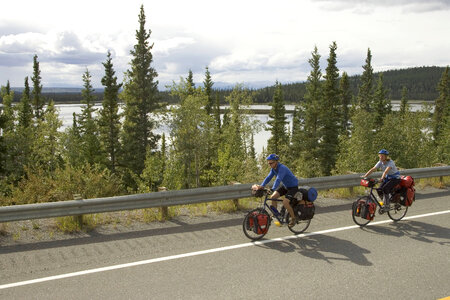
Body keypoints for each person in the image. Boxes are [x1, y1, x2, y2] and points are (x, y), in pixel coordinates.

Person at [252, 154, 299, 226]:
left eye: (271, 163)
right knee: (273, 197)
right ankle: (276, 214)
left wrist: (273, 189)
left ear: (276, 162)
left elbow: (278, 179)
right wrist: (261, 186)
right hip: (285, 186)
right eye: (269, 163)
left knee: (285, 202)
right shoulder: (273, 169)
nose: (270, 164)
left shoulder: (282, 168)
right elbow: (268, 178)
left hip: (293, 187)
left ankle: (293, 218)